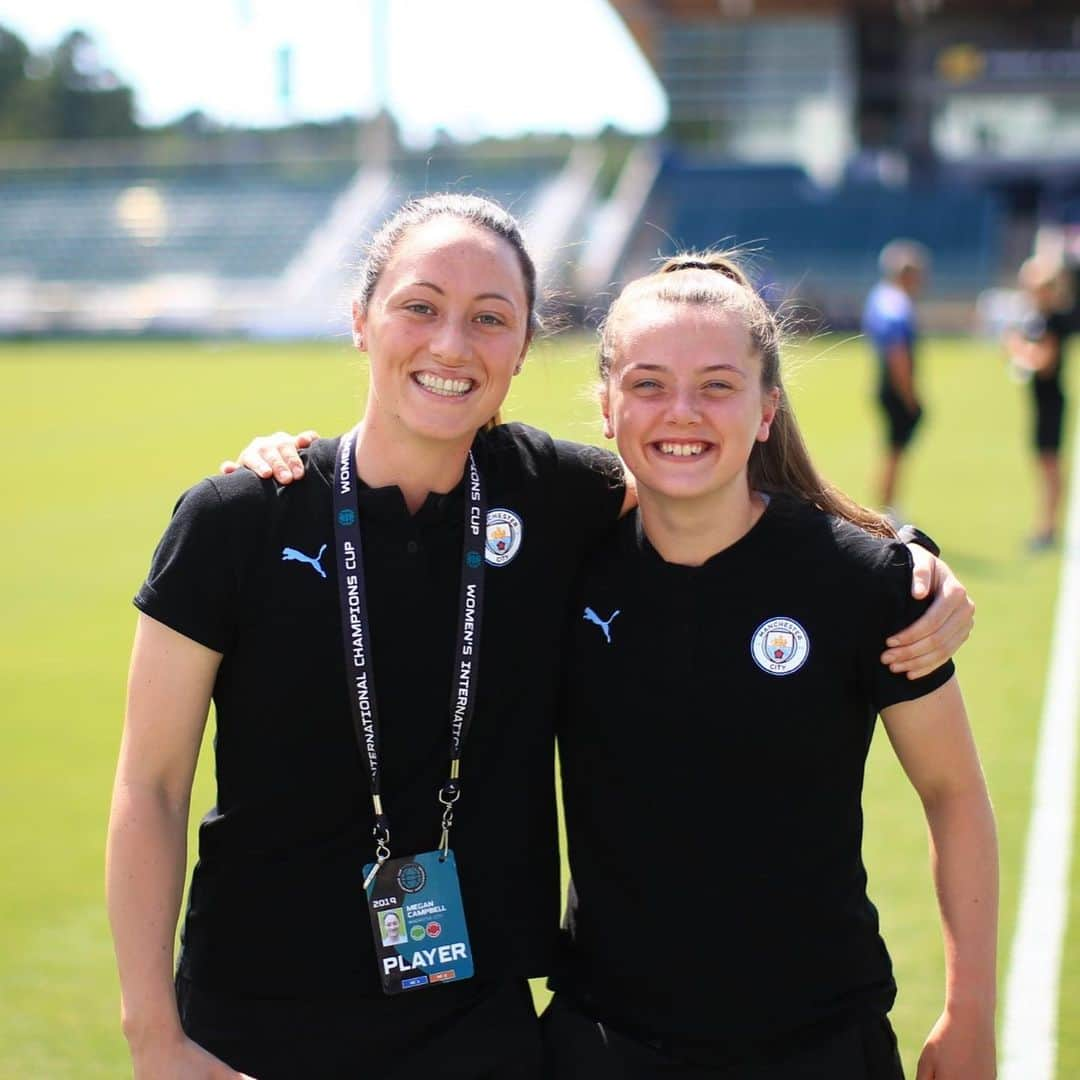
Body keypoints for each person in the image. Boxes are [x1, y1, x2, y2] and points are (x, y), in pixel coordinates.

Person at [111, 192, 969, 1080]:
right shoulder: (238, 519)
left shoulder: (552, 495)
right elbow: (151, 784)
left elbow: (712, 484)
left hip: (478, 1029)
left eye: (491, 318)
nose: (451, 345)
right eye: (420, 306)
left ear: (524, 348)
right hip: (255, 1022)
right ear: (361, 319)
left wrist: (904, 556)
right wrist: (156, 1041)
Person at [541, 254, 998, 1079]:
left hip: (819, 1047)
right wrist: (284, 463)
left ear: (766, 410)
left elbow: (953, 792)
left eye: (718, 384)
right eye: (648, 384)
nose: (682, 412)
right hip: (607, 1046)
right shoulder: (557, 564)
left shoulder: (867, 582)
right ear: (606, 408)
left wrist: (970, 1013)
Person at [1003, 254, 1074, 550]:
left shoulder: (1054, 320)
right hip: (1041, 401)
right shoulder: (1037, 318)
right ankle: (1045, 526)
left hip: (1051, 401)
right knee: (1044, 464)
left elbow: (1045, 362)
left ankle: (1048, 528)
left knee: (1050, 466)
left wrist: (1018, 349)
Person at [862, 239, 930, 521]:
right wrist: (910, 394)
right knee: (895, 451)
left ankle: (887, 505)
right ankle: (887, 509)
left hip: (883, 383)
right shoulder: (897, 305)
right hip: (894, 386)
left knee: (892, 450)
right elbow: (898, 353)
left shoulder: (880, 296)